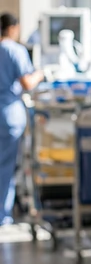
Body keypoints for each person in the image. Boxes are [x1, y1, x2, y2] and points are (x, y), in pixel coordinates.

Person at [0, 13, 44, 227]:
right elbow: (27, 83)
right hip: (8, 115)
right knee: (7, 167)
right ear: (13, 28)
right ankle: (3, 215)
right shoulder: (14, 51)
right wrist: (41, 74)